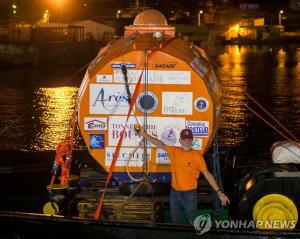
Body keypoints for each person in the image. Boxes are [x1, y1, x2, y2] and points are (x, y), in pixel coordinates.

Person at [138, 126, 230, 225]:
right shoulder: (173, 151)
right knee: (175, 220)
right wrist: (144, 134)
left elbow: (207, 174)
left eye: (189, 139)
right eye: (185, 139)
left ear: (192, 140)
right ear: (180, 141)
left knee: (192, 220)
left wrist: (219, 191)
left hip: (189, 194)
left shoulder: (197, 156)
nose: (187, 142)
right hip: (174, 193)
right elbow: (159, 143)